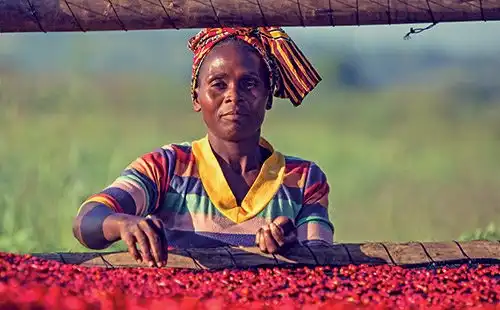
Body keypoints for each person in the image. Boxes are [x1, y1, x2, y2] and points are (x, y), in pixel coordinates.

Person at [73, 27, 334, 268]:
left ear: (268, 97)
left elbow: (321, 260)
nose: (234, 96)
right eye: (218, 84)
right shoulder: (168, 167)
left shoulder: (303, 179)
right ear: (196, 97)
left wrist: (291, 245)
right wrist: (124, 223)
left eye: (250, 84)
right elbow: (87, 222)